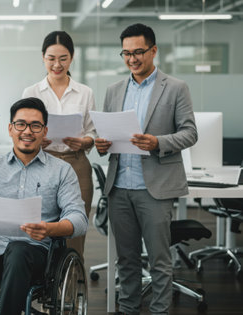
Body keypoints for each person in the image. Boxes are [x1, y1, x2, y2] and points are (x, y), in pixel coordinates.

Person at [0, 97, 88, 315]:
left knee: (19, 249)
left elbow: (79, 220)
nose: (27, 131)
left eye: (35, 125)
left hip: (37, 257)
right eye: (20, 124)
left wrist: (49, 229)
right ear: (10, 129)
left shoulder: (62, 170)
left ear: (44, 131)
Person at [95, 23, 198, 315]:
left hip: (154, 188)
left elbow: (190, 133)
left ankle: (159, 311)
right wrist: (102, 146)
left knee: (159, 261)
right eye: (126, 53)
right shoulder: (114, 90)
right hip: (119, 187)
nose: (132, 59)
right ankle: (127, 309)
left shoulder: (176, 87)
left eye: (138, 52)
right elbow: (108, 136)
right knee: (126, 260)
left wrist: (157, 142)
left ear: (153, 50)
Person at [22, 31, 95, 260]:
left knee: (75, 233)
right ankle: (43, 286)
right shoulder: (31, 92)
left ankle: (73, 290)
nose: (57, 64)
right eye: (51, 58)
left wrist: (84, 141)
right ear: (43, 57)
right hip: (41, 165)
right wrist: (34, 139)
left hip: (77, 164)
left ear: (71, 58)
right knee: (39, 230)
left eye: (63, 58)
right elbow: (21, 131)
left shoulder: (85, 92)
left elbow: (92, 131)